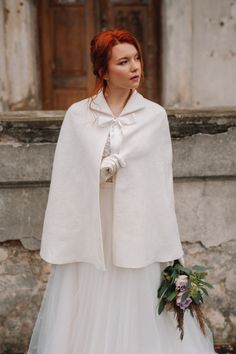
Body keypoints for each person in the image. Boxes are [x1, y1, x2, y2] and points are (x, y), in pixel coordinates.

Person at [28, 29, 217, 354]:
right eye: (124, 61)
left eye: (137, 59)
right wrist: (100, 170)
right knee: (89, 305)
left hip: (137, 230)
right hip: (93, 229)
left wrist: (168, 242)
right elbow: (68, 180)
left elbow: (159, 185)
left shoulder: (153, 117)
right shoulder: (78, 116)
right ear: (103, 71)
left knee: (137, 302)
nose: (135, 67)